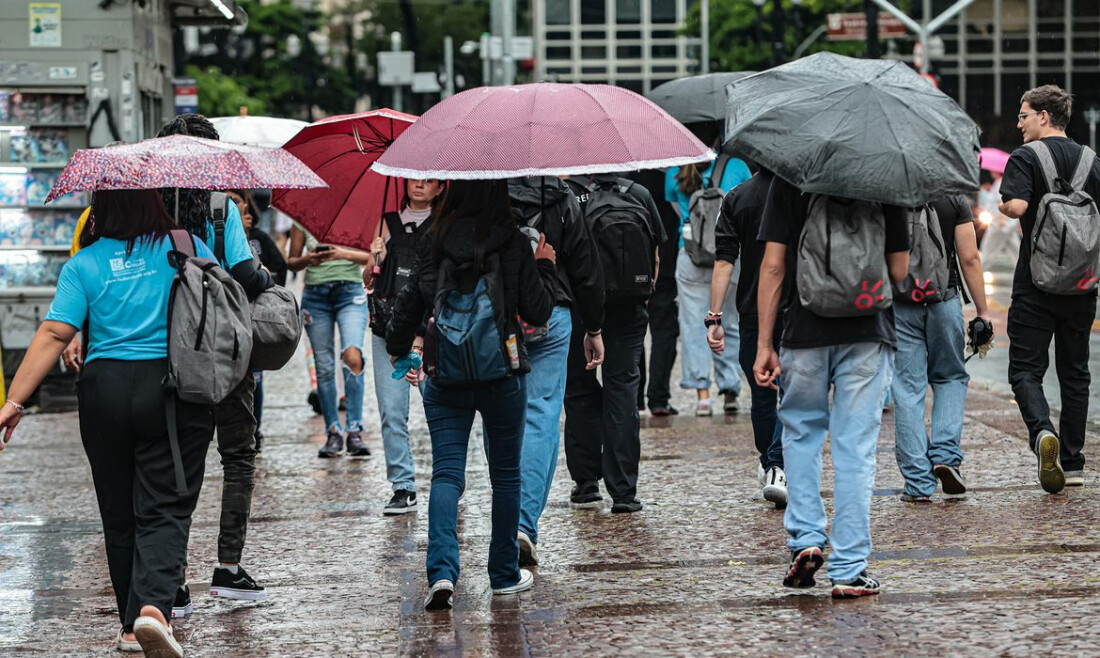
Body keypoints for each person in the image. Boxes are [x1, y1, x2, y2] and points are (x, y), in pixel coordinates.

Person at [0, 189, 217, 658]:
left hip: (105, 391)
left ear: (101, 212)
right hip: (171, 387)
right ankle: (153, 610)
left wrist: (14, 403)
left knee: (119, 513)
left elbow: (56, 332)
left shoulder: (84, 263)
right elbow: (218, 308)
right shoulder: (187, 246)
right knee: (167, 502)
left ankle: (127, 625)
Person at [385, 179, 558, 610]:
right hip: (502, 371)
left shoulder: (433, 240)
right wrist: (545, 265)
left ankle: (442, 573)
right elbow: (539, 311)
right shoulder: (514, 242)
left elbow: (407, 308)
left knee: (446, 473)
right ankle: (502, 575)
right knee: (505, 475)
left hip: (445, 373)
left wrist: (399, 348)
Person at [756, 178, 909, 599]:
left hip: (803, 331)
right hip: (868, 330)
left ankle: (806, 538)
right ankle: (849, 569)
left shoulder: (790, 179)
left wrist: (764, 344)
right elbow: (898, 271)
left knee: (801, 435)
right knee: (855, 449)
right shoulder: (885, 180)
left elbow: (772, 265)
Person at [157, 114, 275, 609]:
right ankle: (228, 567)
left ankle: (173, 578)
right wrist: (267, 277)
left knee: (176, 464)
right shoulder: (222, 207)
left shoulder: (148, 208)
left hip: (169, 351)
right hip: (226, 352)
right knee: (238, 456)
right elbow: (247, 276)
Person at [998, 84, 1100, 493]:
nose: (1018, 124)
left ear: (1043, 116)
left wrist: (1004, 205)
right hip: (1081, 284)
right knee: (1075, 372)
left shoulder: (1024, 157)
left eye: (1023, 115)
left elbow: (1019, 207)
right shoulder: (1092, 160)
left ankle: (1042, 432)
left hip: (1035, 285)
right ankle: (1072, 462)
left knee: (1025, 369)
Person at [508, 175, 605, 565]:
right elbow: (585, 266)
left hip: (499, 313)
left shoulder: (484, 188)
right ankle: (524, 522)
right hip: (553, 310)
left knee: (503, 416)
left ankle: (509, 520)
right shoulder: (560, 194)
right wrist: (594, 327)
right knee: (542, 415)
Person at [563, 173, 666, 513]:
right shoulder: (639, 193)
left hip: (580, 306)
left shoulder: (568, 195)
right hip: (629, 307)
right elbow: (654, 256)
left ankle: (587, 483)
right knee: (622, 390)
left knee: (579, 388)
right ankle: (624, 491)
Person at [891, 196, 992, 501]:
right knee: (949, 377)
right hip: (944, 300)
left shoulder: (890, 193)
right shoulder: (953, 198)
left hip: (901, 303)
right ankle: (946, 456)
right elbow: (970, 258)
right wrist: (983, 312)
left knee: (908, 390)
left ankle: (918, 483)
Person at [365, 178, 446, 515]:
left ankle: (448, 478)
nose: (420, 186)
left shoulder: (444, 226)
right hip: (388, 329)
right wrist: (374, 259)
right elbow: (369, 279)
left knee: (439, 410)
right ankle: (403, 485)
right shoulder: (388, 221)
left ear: (440, 188)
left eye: (429, 181)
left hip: (431, 333)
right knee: (391, 411)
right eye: (415, 179)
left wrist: (422, 335)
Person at [707, 168, 786, 505]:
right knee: (794, 391)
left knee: (763, 392)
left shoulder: (738, 197)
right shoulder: (799, 193)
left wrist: (714, 316)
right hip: (797, 306)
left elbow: (724, 261)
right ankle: (776, 464)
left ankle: (772, 463)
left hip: (753, 309)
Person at [665, 157, 752, 415]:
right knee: (729, 323)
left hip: (690, 255)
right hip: (728, 256)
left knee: (693, 325)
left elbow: (677, 209)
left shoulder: (674, 169)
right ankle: (730, 389)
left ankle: (702, 396)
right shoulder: (737, 166)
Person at [286, 223, 373, 458]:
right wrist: (308, 259)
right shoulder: (302, 218)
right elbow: (291, 261)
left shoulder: (355, 215)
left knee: (353, 356)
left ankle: (354, 430)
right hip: (316, 297)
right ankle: (333, 432)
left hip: (351, 293)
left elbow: (372, 256)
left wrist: (341, 254)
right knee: (324, 367)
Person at [227, 188, 288, 454]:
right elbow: (248, 276)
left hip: (251, 317)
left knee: (254, 378)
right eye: (231, 204)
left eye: (238, 202)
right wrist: (262, 276)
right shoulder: (223, 231)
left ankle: (253, 429)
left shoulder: (260, 238)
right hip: (228, 318)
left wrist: (270, 290)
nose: (236, 208)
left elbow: (280, 266)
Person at [626, 169, 682, 415]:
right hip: (666, 265)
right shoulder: (672, 180)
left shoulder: (627, 184)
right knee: (664, 333)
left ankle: (636, 396)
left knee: (633, 333)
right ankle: (658, 398)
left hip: (632, 269)